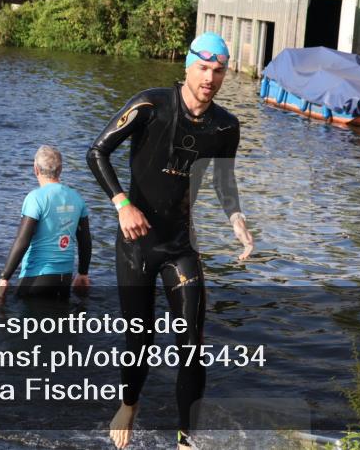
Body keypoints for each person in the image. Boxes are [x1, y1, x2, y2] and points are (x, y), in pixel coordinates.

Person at [86, 31, 253, 450]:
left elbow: (224, 179)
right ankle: (129, 403)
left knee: (192, 345)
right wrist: (122, 204)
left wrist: (236, 218)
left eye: (218, 71)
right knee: (139, 341)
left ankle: (185, 440)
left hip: (180, 246)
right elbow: (96, 152)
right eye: (203, 68)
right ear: (187, 66)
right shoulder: (150, 105)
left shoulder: (225, 126)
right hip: (137, 243)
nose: (209, 79)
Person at [0, 145, 92, 302]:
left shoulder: (35, 198)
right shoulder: (77, 197)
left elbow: (22, 240)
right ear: (60, 169)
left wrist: (4, 277)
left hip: (36, 278)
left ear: (35, 169)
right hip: (65, 278)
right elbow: (85, 240)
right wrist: (83, 273)